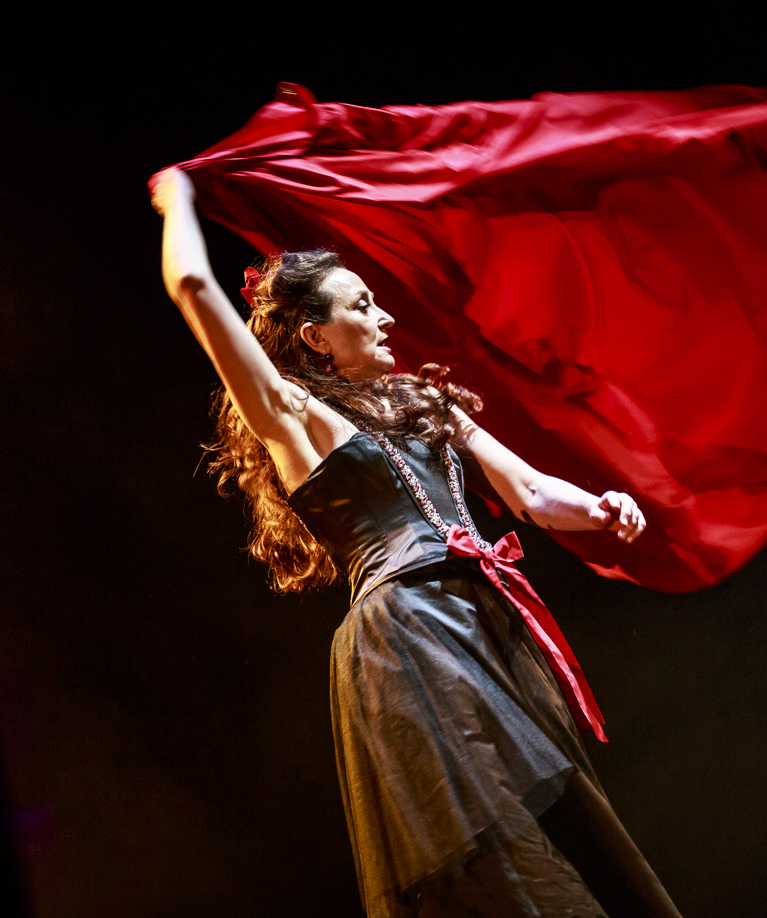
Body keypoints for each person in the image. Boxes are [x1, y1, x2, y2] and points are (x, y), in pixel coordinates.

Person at [152, 166, 681, 918]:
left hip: (483, 626)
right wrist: (178, 201)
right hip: (408, 638)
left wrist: (599, 507)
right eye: (363, 306)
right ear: (316, 337)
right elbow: (196, 292)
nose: (386, 318)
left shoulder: (424, 403)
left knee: (572, 822)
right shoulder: (300, 422)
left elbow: (529, 493)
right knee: (502, 858)